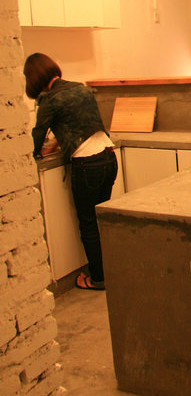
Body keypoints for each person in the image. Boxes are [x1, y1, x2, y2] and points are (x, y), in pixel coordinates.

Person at [24, 53, 117, 291]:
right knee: (101, 219)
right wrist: (57, 143)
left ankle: (98, 278)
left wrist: (35, 153)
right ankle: (109, 270)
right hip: (108, 157)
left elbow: (38, 134)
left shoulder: (49, 100)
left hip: (87, 165)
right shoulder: (81, 88)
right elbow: (79, 125)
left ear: (33, 79)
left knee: (88, 224)